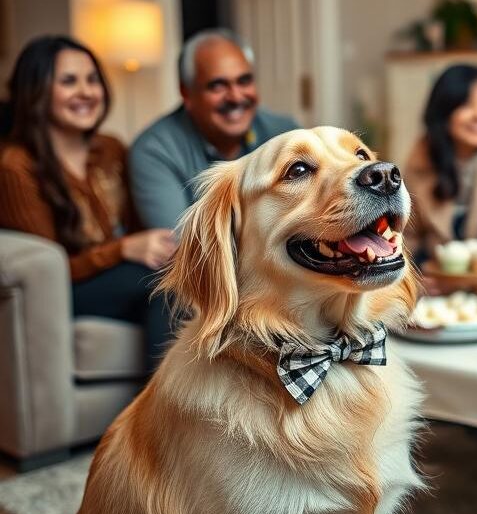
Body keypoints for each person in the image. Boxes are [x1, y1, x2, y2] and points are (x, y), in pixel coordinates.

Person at [0, 36, 177, 366]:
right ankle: (164, 411)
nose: (86, 92)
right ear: (36, 91)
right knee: (164, 285)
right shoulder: (15, 167)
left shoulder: (111, 149)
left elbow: (140, 230)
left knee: (182, 276)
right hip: (62, 291)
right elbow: (46, 271)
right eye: (69, 81)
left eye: (92, 79)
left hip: (119, 281)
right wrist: (122, 249)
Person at [129, 28, 300, 230]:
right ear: (186, 93)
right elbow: (180, 248)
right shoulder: (154, 150)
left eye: (244, 80)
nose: (236, 97)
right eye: (217, 86)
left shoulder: (285, 131)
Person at [404, 64, 477, 261]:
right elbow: (408, 234)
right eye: (465, 105)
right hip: (435, 274)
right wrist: (416, 279)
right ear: (444, 112)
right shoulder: (423, 155)